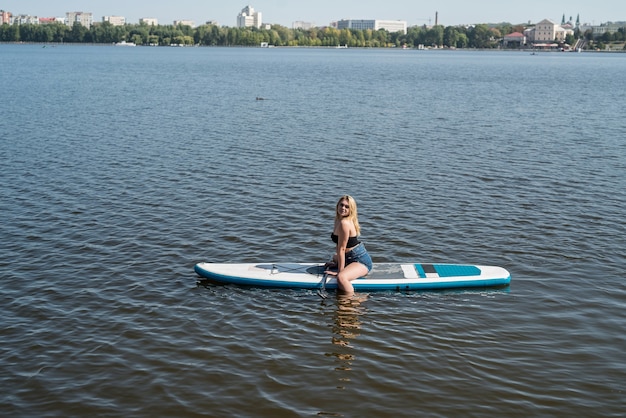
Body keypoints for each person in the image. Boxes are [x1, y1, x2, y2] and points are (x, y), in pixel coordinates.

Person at [325, 195, 373, 295]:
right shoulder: (338, 219)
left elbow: (341, 249)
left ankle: (351, 300)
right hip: (348, 257)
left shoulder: (344, 223)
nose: (343, 208)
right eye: (341, 205)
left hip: (360, 260)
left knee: (341, 278)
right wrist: (337, 264)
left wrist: (340, 271)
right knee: (334, 257)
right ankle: (342, 264)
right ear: (337, 206)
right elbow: (338, 245)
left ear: (351, 209)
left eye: (347, 207)